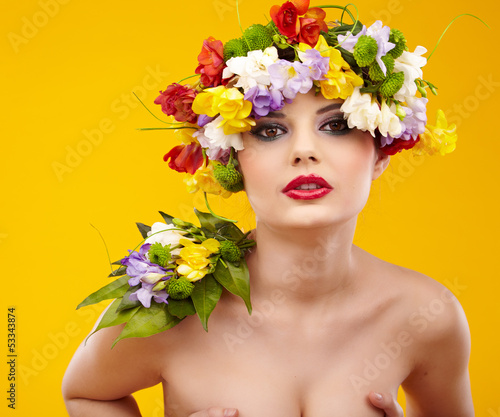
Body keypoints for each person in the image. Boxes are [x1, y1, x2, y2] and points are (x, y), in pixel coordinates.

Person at [62, 1, 473, 416]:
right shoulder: (169, 305)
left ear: (382, 151)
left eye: (336, 125)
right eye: (270, 130)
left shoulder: (427, 316)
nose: (305, 152)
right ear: (233, 160)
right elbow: (85, 393)